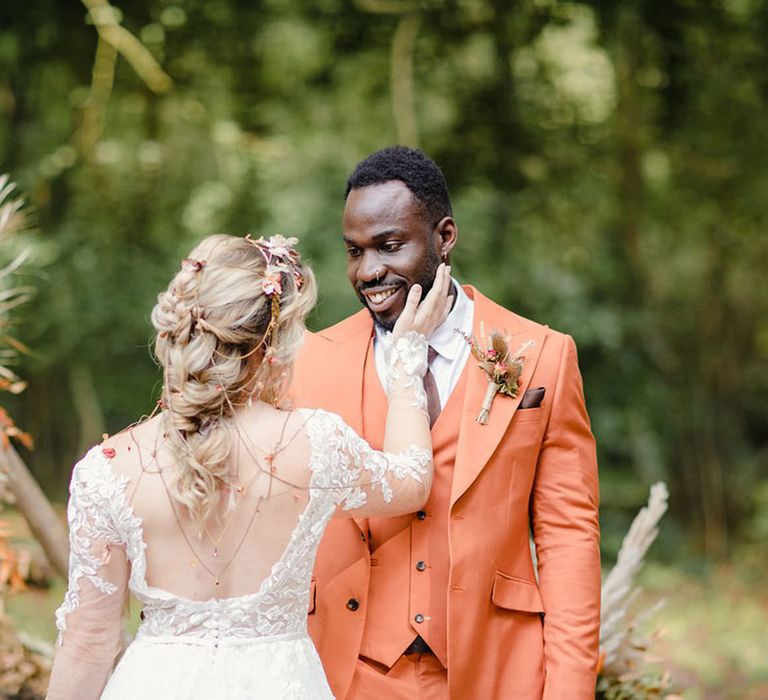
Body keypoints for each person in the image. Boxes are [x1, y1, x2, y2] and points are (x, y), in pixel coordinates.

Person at [46, 233, 453, 699]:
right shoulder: (314, 443)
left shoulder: (108, 471)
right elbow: (412, 481)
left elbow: (87, 643)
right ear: (271, 340)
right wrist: (406, 361)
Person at [292, 146, 601, 699]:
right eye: (354, 251)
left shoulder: (543, 355)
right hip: (346, 670)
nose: (369, 272)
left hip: (496, 668)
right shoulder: (312, 361)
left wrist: (570, 690)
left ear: (445, 236)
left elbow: (568, 536)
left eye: (389, 246)